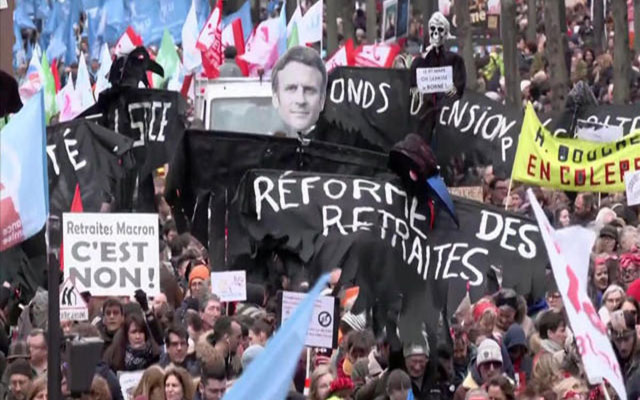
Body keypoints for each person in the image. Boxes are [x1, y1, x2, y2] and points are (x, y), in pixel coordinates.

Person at [409, 11, 465, 143]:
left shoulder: (455, 62)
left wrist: (451, 92)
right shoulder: (419, 63)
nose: (436, 34)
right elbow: (412, 91)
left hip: (447, 121)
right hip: (424, 123)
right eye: (433, 30)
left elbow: (459, 90)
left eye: (440, 30)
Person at [271, 46, 327, 136]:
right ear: (275, 98)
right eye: (291, 89)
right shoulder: (252, 142)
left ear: (322, 101)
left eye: (309, 90)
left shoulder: (340, 143)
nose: (300, 100)